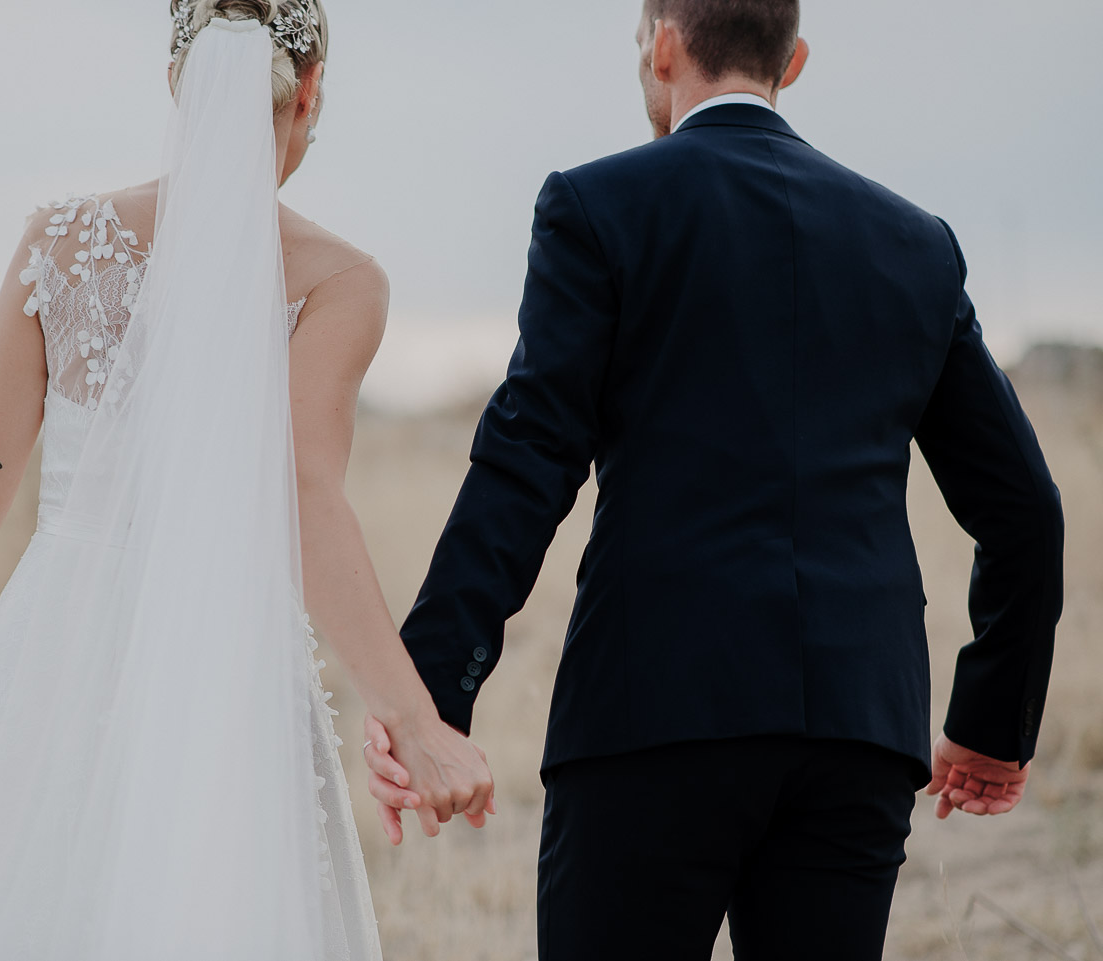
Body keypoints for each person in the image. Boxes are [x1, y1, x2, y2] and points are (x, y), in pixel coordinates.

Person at [365, 1, 1065, 958]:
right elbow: (1024, 507)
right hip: (855, 737)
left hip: (650, 720)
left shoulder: (596, 207)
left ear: (663, 44)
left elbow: (527, 462)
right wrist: (993, 720)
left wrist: (432, 693)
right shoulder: (914, 242)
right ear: (796, 61)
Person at [0, 2, 491, 958]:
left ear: (175, 85)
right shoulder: (338, 281)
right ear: (309, 91)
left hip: (52, 658)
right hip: (224, 664)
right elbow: (305, 498)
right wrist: (414, 718)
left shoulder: (56, 243)